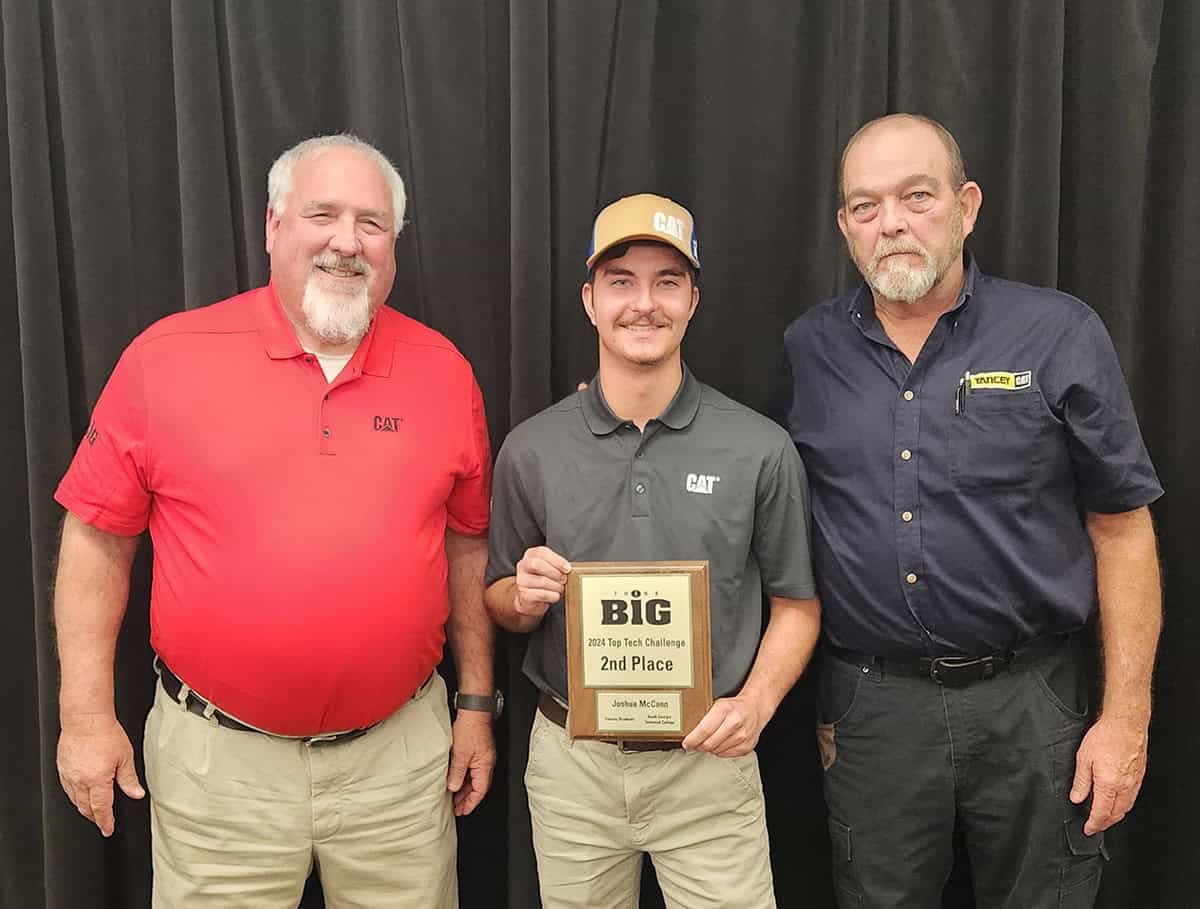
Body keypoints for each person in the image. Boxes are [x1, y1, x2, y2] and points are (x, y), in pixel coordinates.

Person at [53, 133, 499, 908]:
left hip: (398, 770)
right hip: (219, 774)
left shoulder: (445, 372)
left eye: (372, 223)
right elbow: (97, 538)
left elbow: (467, 545)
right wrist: (85, 718)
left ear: (393, 246)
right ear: (273, 226)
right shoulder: (166, 358)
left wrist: (477, 702)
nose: (345, 241)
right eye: (322, 214)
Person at [774, 113, 1163, 908]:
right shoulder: (807, 349)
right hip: (872, 706)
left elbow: (1123, 529)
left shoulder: (1057, 332)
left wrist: (1127, 719)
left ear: (967, 205)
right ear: (845, 226)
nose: (891, 223)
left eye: (916, 196)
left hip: (1032, 703)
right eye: (865, 206)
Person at [484, 193, 820, 908]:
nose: (645, 303)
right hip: (574, 764)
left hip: (708, 762)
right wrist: (521, 594)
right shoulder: (531, 448)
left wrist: (756, 706)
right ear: (589, 300)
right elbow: (499, 598)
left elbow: (798, 604)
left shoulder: (759, 448)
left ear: (693, 300)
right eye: (621, 281)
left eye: (667, 281)